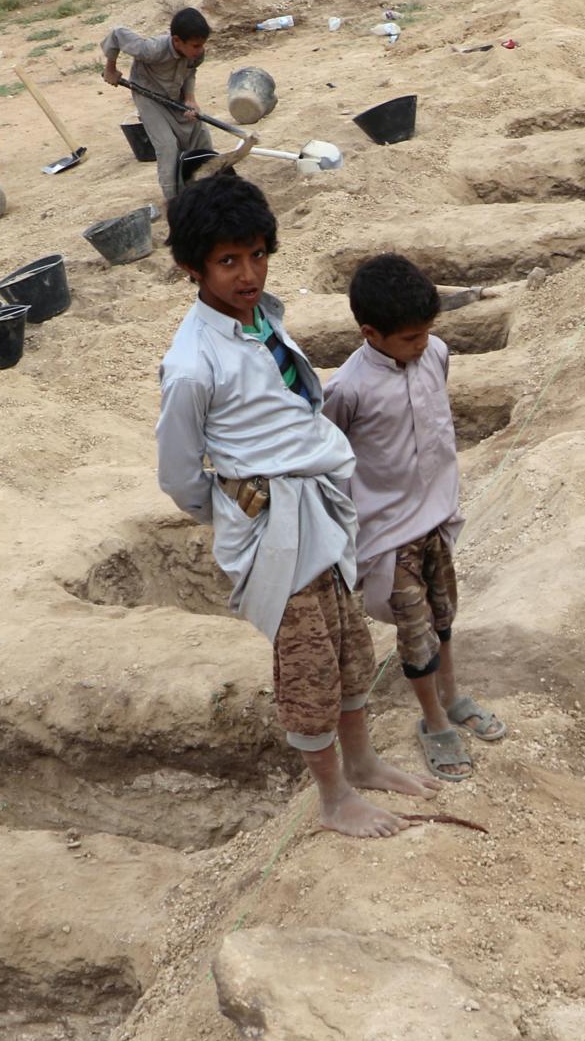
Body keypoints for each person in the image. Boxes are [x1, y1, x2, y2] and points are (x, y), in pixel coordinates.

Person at [153, 175, 436, 839]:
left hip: (321, 509)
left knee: (348, 643)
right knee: (307, 661)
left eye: (257, 253)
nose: (248, 273)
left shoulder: (264, 317)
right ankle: (334, 797)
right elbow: (178, 472)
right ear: (193, 267)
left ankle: (362, 761)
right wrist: (236, 509)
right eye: (228, 261)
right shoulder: (193, 364)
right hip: (275, 525)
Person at [323, 253, 506, 783]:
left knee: (443, 613)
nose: (421, 344)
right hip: (387, 530)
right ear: (371, 333)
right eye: (409, 338)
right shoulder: (347, 390)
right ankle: (432, 720)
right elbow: (332, 456)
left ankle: (452, 696)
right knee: (415, 626)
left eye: (427, 333)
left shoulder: (438, 354)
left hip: (437, 516)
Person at [103, 7, 213, 211]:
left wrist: (190, 98)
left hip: (175, 94)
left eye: (202, 45)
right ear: (177, 41)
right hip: (148, 95)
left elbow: (190, 72)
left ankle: (206, 188)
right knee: (167, 145)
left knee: (200, 133)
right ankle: (174, 201)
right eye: (195, 45)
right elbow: (117, 34)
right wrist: (110, 68)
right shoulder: (152, 49)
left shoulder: (197, 54)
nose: (200, 51)